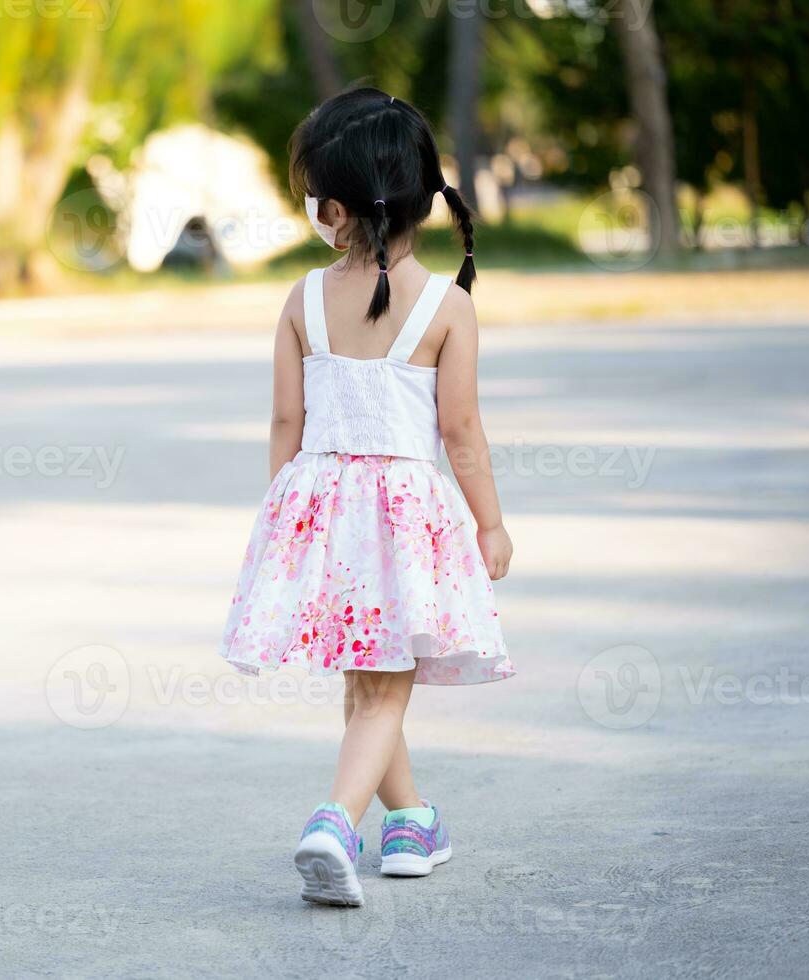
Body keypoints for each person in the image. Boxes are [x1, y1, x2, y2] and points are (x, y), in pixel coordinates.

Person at [218, 88, 516, 907]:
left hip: (321, 510)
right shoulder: (448, 307)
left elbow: (287, 419)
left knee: (367, 688)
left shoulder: (302, 299)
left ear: (335, 209)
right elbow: (460, 432)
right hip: (402, 521)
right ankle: (334, 823)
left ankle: (413, 822)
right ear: (425, 195)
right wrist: (489, 523)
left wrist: (284, 524)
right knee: (383, 690)